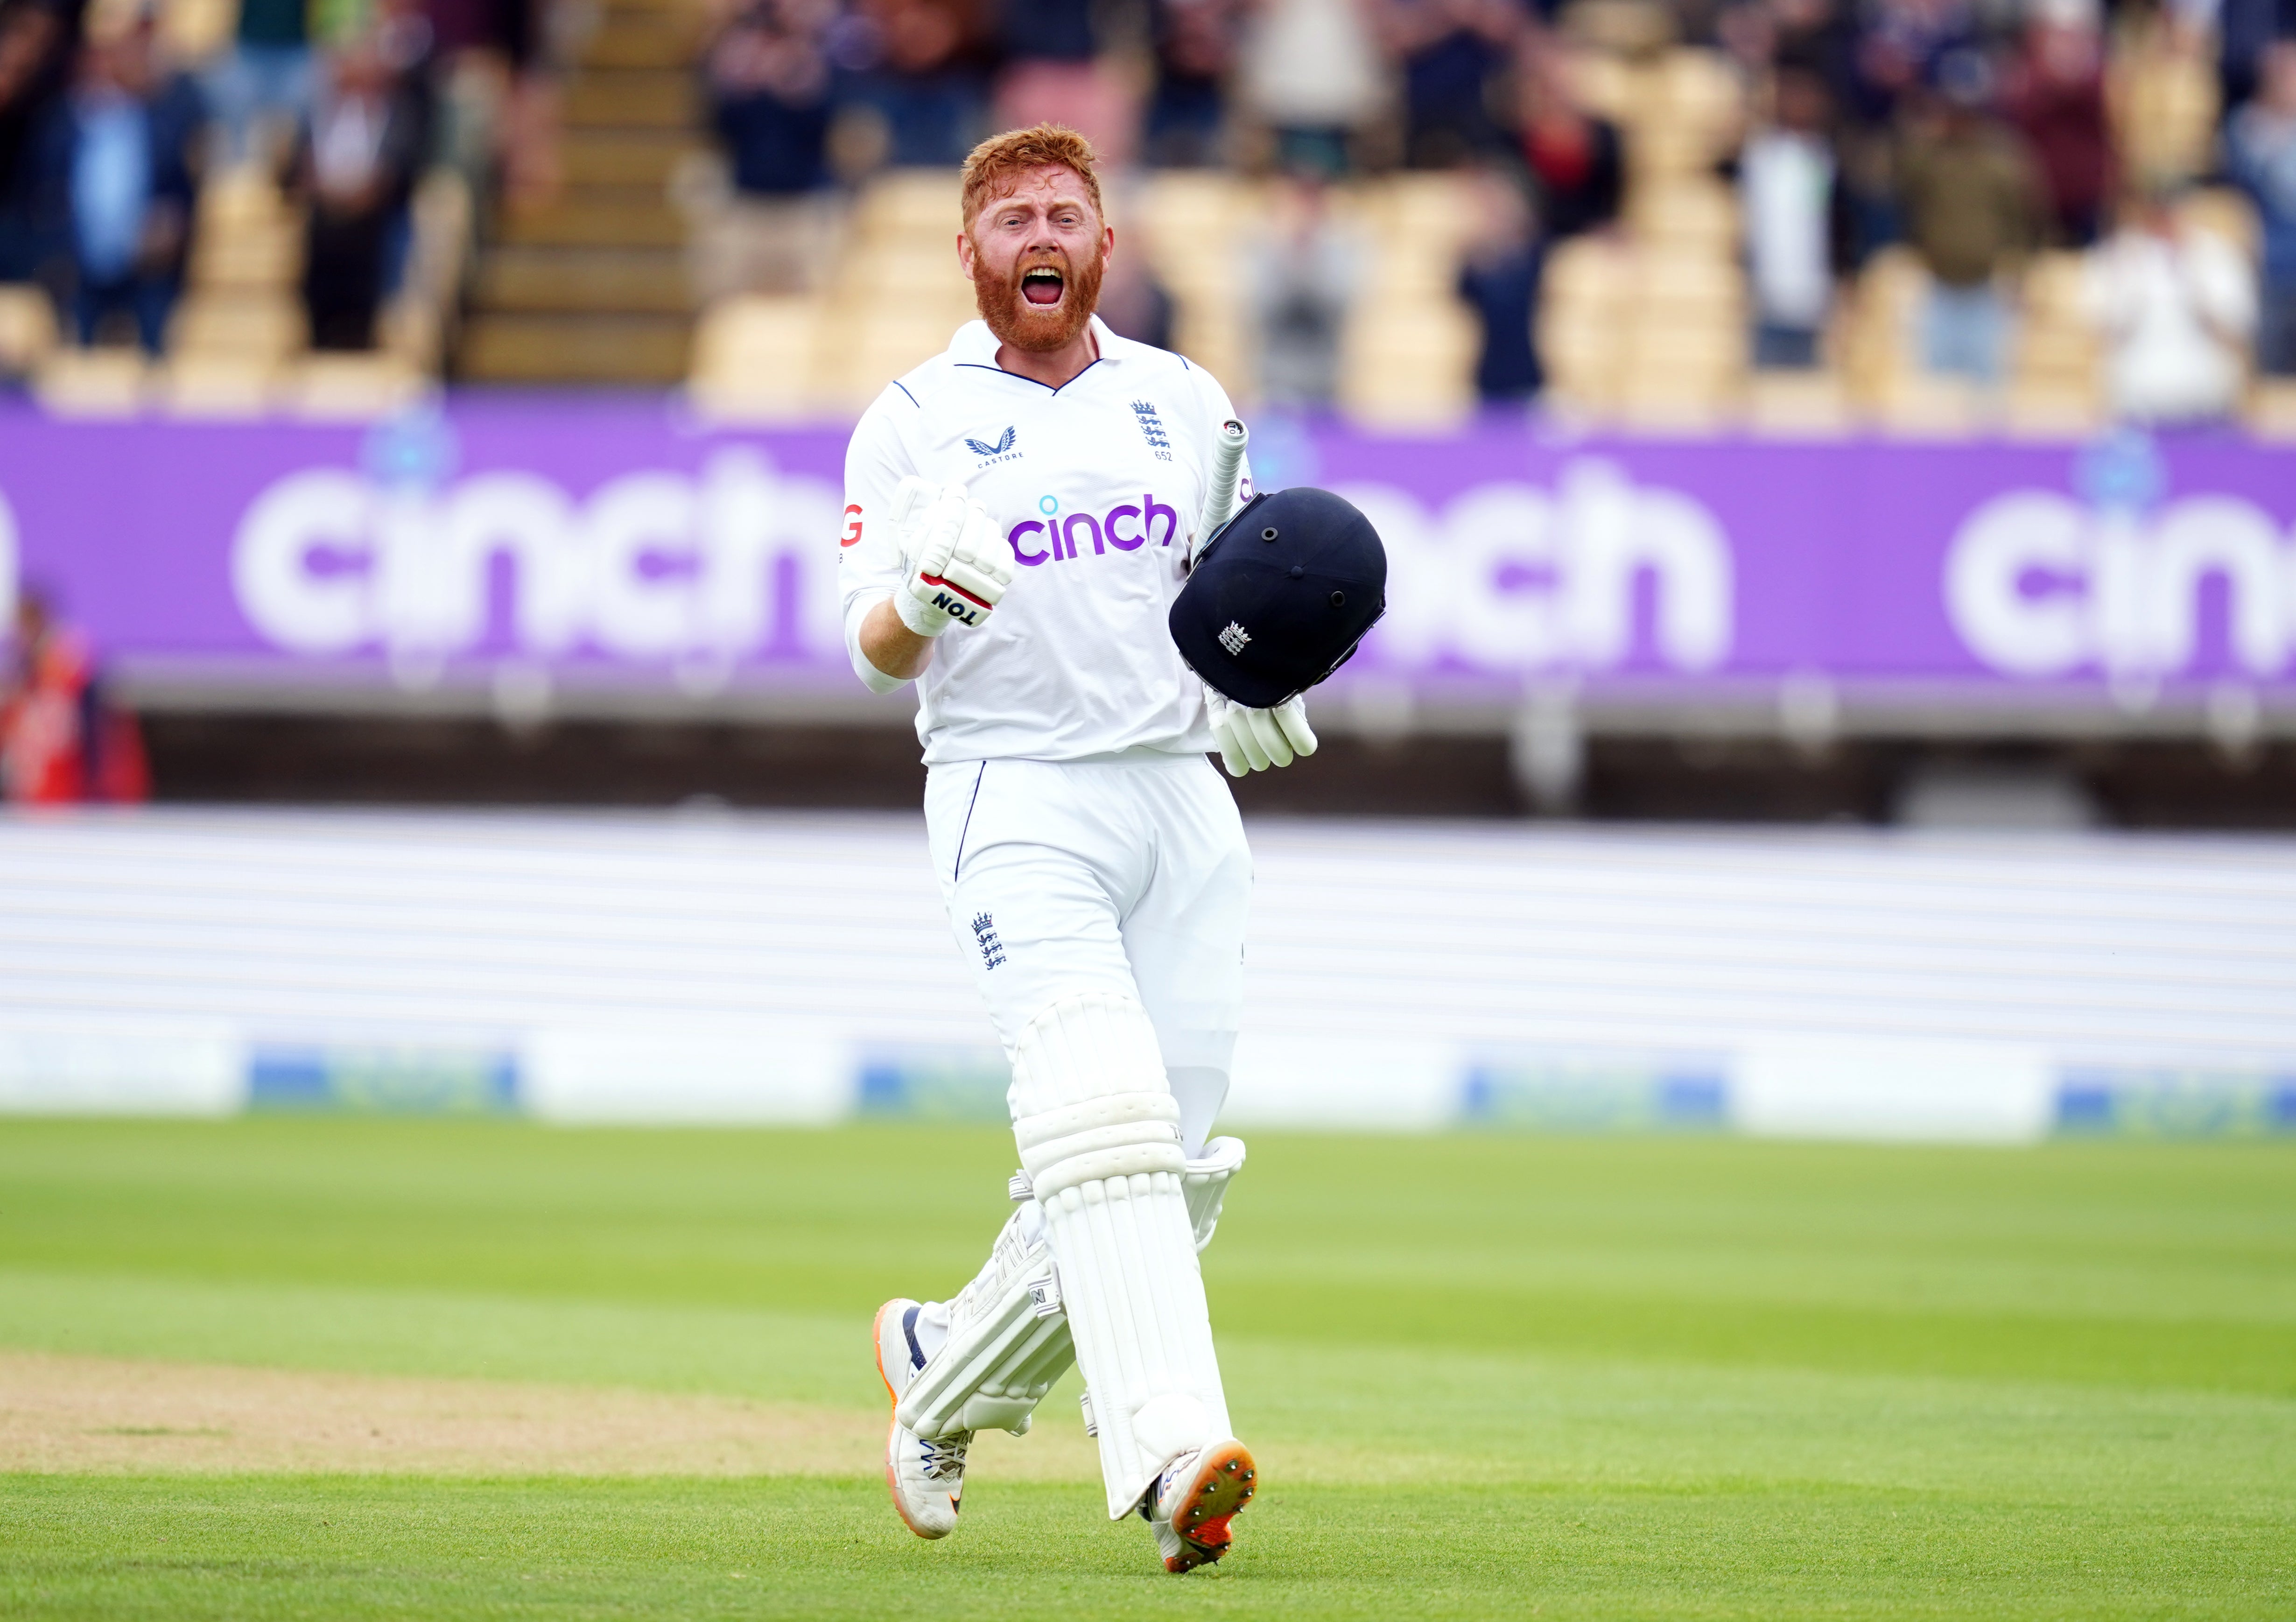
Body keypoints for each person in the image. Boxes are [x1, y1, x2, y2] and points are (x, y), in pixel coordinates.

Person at [842, 123, 1313, 1575]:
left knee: (1165, 1166)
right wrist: (919, 597)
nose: (1038, 235)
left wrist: (1264, 683)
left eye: (1065, 214)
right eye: (1008, 220)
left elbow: (1228, 597)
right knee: (1098, 1121)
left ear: (1105, 247)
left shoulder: (1182, 402)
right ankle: (1175, 1455)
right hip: (1013, 793)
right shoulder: (913, 417)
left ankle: (942, 1364)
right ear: (970, 253)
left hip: (1178, 798)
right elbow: (870, 651)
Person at [36, 19, 204, 353]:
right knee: (74, 364)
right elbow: (40, 192)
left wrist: (172, 223)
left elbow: (184, 189)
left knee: (157, 355)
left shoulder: (163, 119)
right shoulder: (61, 124)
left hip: (147, 266)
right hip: (77, 265)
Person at [1896, 57, 2043, 384]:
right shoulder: (1929, 157)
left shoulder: (2002, 158)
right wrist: (1924, 129)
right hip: (1937, 287)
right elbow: (1897, 184)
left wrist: (2018, 273)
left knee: (1989, 399)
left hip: (1986, 291)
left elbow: (2024, 223)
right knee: (1932, 397)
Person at [292, 31, 429, 350]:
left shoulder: (399, 113)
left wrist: (361, 195)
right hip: (324, 222)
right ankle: (318, 335)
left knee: (375, 238)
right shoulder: (317, 114)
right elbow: (297, 171)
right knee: (320, 236)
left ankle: (368, 332)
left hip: (376, 225)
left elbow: (400, 172)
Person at [2085, 188, 2256, 423]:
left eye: (2172, 209)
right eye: (2158, 210)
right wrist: (2134, 278)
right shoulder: (2117, 255)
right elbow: (2101, 333)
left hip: (2208, 404)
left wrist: (2191, 273)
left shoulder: (2218, 254)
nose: (2166, 218)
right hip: (2134, 406)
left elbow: (2236, 333)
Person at [1738, 60, 1849, 368]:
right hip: (1764, 298)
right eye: (1790, 96)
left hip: (1813, 298)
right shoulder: (1758, 155)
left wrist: (1842, 279)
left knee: (1807, 399)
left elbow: (1839, 224)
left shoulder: (1825, 158)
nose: (1798, 105)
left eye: (1806, 98)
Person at [2, 587, 147, 805]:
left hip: (70, 800)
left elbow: (99, 741)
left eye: (28, 624)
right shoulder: (21, 686)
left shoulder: (75, 680)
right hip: (30, 801)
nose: (23, 636)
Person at [2227, 36, 2296, 374]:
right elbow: (2240, 185)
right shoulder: (2246, 127)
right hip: (2273, 266)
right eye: (2286, 75)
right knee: (2271, 368)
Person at [1455, 161, 1541, 401]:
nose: (1495, 214)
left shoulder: (1537, 254)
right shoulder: (1471, 263)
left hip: (1532, 375)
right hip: (1487, 378)